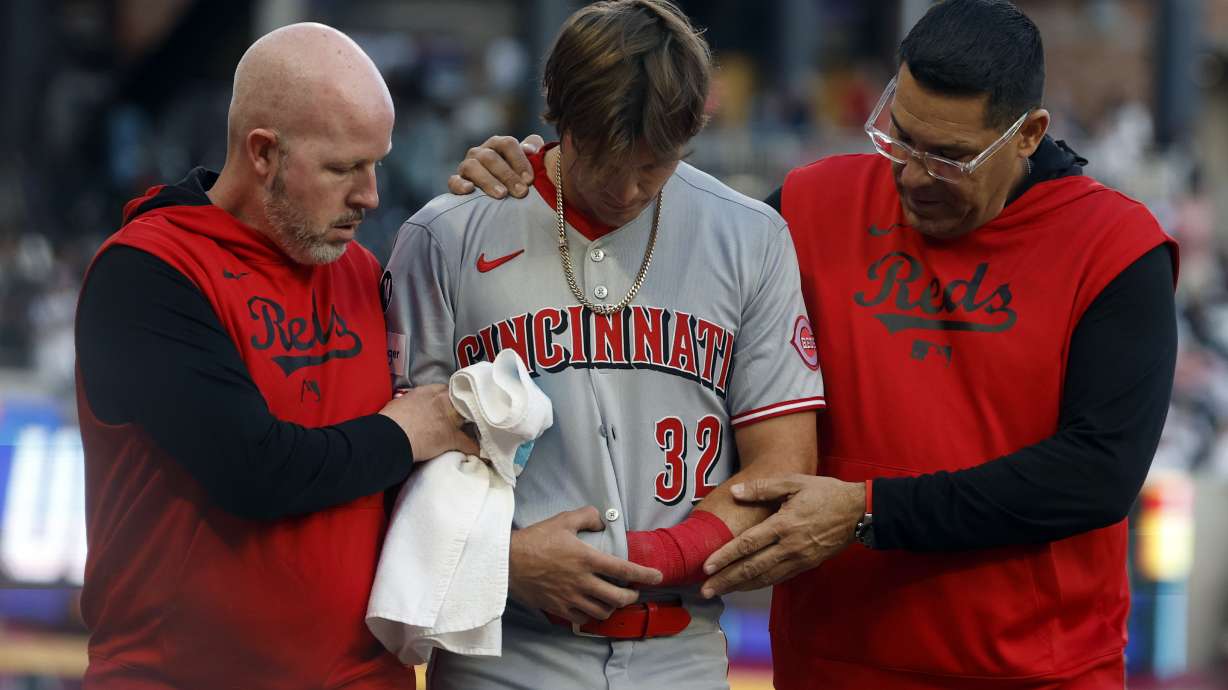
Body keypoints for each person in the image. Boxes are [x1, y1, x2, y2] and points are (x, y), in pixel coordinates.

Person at [447, 1, 1179, 687]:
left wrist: (870, 510)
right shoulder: (810, 203)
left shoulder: (1114, 247)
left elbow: (1097, 474)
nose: (913, 176)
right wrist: (542, 165)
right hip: (830, 662)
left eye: (949, 158)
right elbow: (635, 218)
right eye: (902, 139)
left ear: (1027, 132)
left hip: (1037, 670)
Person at [383, 2, 824, 688]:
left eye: (655, 165)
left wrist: (651, 556)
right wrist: (503, 561)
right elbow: (397, 460)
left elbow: (785, 467)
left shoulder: (750, 235)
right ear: (556, 115)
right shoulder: (447, 235)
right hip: (504, 652)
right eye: (603, 158)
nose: (627, 189)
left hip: (684, 651)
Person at [74, 23, 477, 689]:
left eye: (376, 163)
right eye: (344, 168)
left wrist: (524, 183)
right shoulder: (147, 271)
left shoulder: (363, 271)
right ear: (263, 153)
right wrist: (406, 432)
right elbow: (251, 471)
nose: (370, 195)